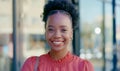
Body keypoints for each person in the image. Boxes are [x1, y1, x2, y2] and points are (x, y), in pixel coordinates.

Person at [21, 0, 94, 71]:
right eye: (51, 29)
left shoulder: (84, 67)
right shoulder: (32, 65)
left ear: (71, 33)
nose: (57, 35)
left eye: (63, 30)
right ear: (45, 31)